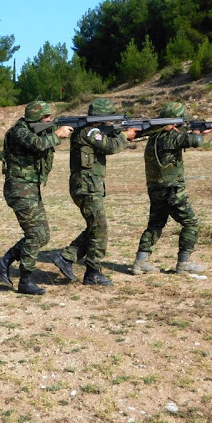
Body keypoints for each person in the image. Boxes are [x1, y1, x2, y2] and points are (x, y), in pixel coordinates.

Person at [52, 98, 137, 286]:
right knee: (99, 228)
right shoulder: (90, 131)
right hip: (86, 186)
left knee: (95, 227)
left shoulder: (91, 130)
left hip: (88, 186)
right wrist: (124, 136)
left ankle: (66, 258)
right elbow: (110, 146)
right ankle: (92, 272)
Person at [0, 100, 73, 295]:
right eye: (46, 117)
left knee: (42, 235)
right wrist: (57, 134)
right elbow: (37, 144)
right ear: (36, 118)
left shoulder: (37, 129)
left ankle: (4, 262)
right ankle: (25, 280)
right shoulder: (18, 131)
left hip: (29, 189)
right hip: (19, 189)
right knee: (35, 234)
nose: (49, 119)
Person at [131, 102, 212, 275]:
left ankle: (140, 262)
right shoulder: (169, 136)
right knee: (190, 223)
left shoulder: (154, 136)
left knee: (155, 224)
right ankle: (183, 263)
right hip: (171, 189)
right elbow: (195, 141)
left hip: (156, 188)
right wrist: (198, 132)